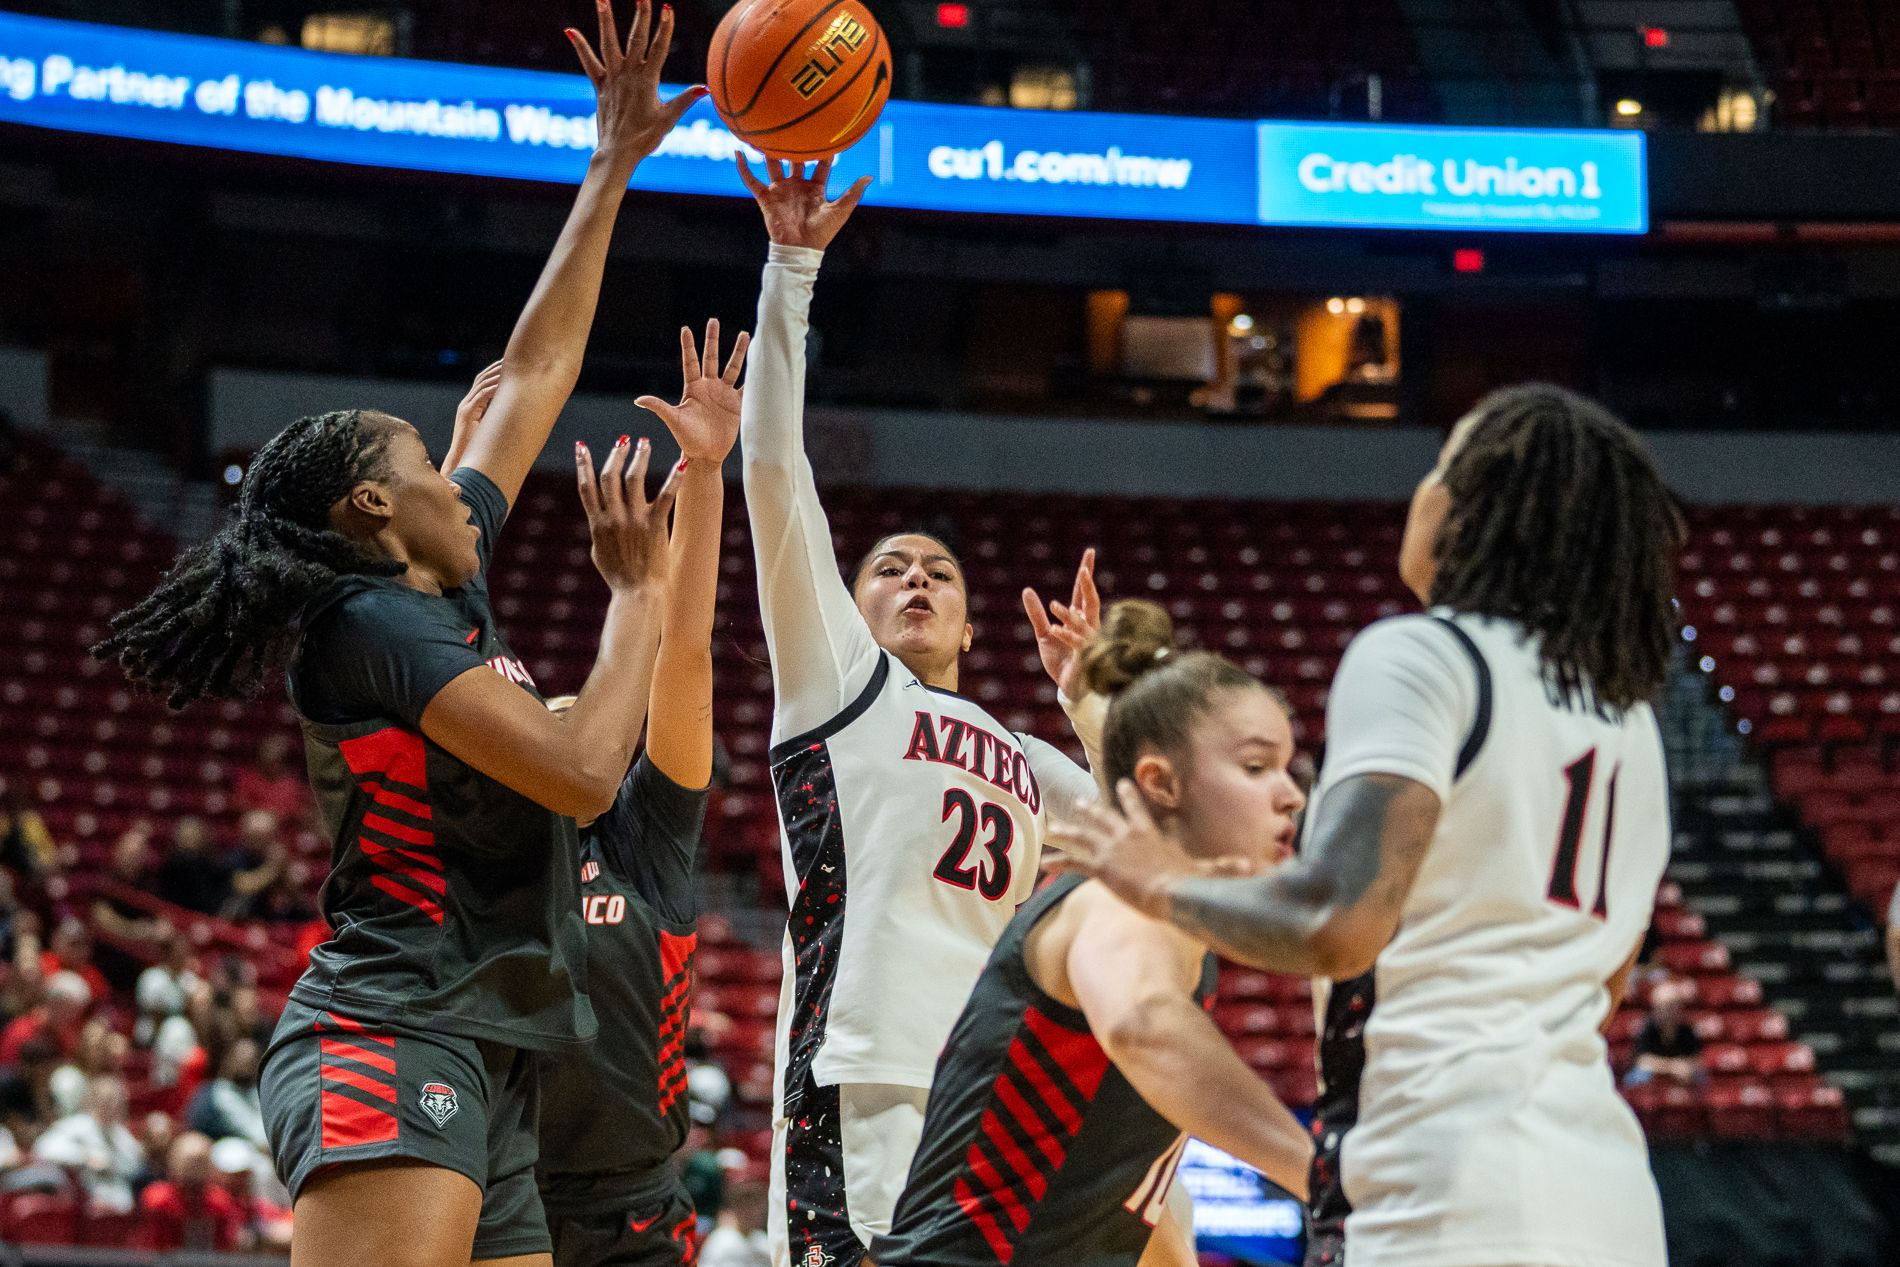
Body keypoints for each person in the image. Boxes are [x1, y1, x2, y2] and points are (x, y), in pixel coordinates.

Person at [92, 5, 702, 1264]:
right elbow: (588, 771)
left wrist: (610, 166)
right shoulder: (370, 620)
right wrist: (637, 595)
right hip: (393, 1023)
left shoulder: (436, 575)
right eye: (433, 455)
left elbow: (531, 377)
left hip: (490, 1044)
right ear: (375, 505)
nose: (462, 462)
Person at [1050, 383, 1682, 1267]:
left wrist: (1160, 880)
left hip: (1449, 1198)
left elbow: (1334, 921)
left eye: (1442, 465)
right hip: (1609, 1202)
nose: (1422, 489)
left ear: (1477, 504)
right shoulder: (1631, 721)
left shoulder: (1424, 653)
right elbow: (1604, 982)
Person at [733, 156, 1103, 1267]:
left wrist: (1086, 704)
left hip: (993, 1085)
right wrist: (791, 267)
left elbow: (1157, 849)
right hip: (867, 1072)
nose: (916, 580)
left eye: (938, 571)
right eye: (889, 567)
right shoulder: (839, 682)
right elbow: (774, 472)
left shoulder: (1024, 755)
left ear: (974, 625)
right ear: (845, 606)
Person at [871, 603, 1313, 1267]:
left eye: (1287, 767)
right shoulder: (1122, 904)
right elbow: (1145, 1024)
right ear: (1164, 784)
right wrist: (1326, 1173)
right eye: (1256, 767)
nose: (1291, 795)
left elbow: (1134, 1200)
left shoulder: (1178, 934)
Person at [530, 320, 747, 1267]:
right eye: (562, 715)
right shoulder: (497, 836)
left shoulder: (643, 840)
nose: (590, 727)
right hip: (499, 1190)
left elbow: (685, 653)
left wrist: (703, 475)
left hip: (633, 1208)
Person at [33, 1073, 145, 1215]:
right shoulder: (78, 1125)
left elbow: (134, 1166)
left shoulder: (121, 1134)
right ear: (93, 1100)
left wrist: (110, 1163)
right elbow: (44, 1148)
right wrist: (85, 1157)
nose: (110, 1106)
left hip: (119, 1207)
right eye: (106, 1100)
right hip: (84, 1204)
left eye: (114, 1101)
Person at [136, 1131, 245, 1252]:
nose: (193, 1189)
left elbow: (226, 1249)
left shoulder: (220, 1203)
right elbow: (150, 1249)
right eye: (188, 1180)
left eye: (197, 1182)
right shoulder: (157, 1200)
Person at [186, 1037, 268, 1150]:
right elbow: (256, 1136)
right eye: (241, 1062)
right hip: (219, 1150)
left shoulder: (257, 1093)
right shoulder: (215, 1093)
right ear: (230, 1061)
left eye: (251, 1064)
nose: (245, 1070)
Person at [0, 969, 91, 1065]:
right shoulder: (21, 1032)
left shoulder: (63, 1038)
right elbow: (5, 1071)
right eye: (71, 1011)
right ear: (55, 1004)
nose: (73, 1018)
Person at [1622, 978, 1702, 1087]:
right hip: (1654, 1077)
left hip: (1682, 1076)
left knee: (1701, 1077)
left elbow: (1696, 1060)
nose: (1667, 1011)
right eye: (1663, 1007)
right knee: (1638, 1076)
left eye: (1672, 1006)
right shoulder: (1647, 1030)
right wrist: (1672, 1067)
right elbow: (1643, 1062)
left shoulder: (1686, 1031)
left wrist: (1685, 1067)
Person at [234, 733, 316, 826]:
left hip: (285, 824)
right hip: (258, 824)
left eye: (277, 761)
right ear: (262, 761)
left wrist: (279, 815)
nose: (273, 765)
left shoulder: (291, 782)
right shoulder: (249, 778)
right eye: (270, 762)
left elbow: (296, 808)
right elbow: (242, 804)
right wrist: (267, 813)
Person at [156, 817, 231, 916]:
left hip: (208, 917)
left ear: (203, 838)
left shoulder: (214, 865)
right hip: (177, 916)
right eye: (186, 837)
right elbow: (167, 898)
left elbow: (217, 897)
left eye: (194, 836)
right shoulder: (171, 867)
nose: (190, 841)